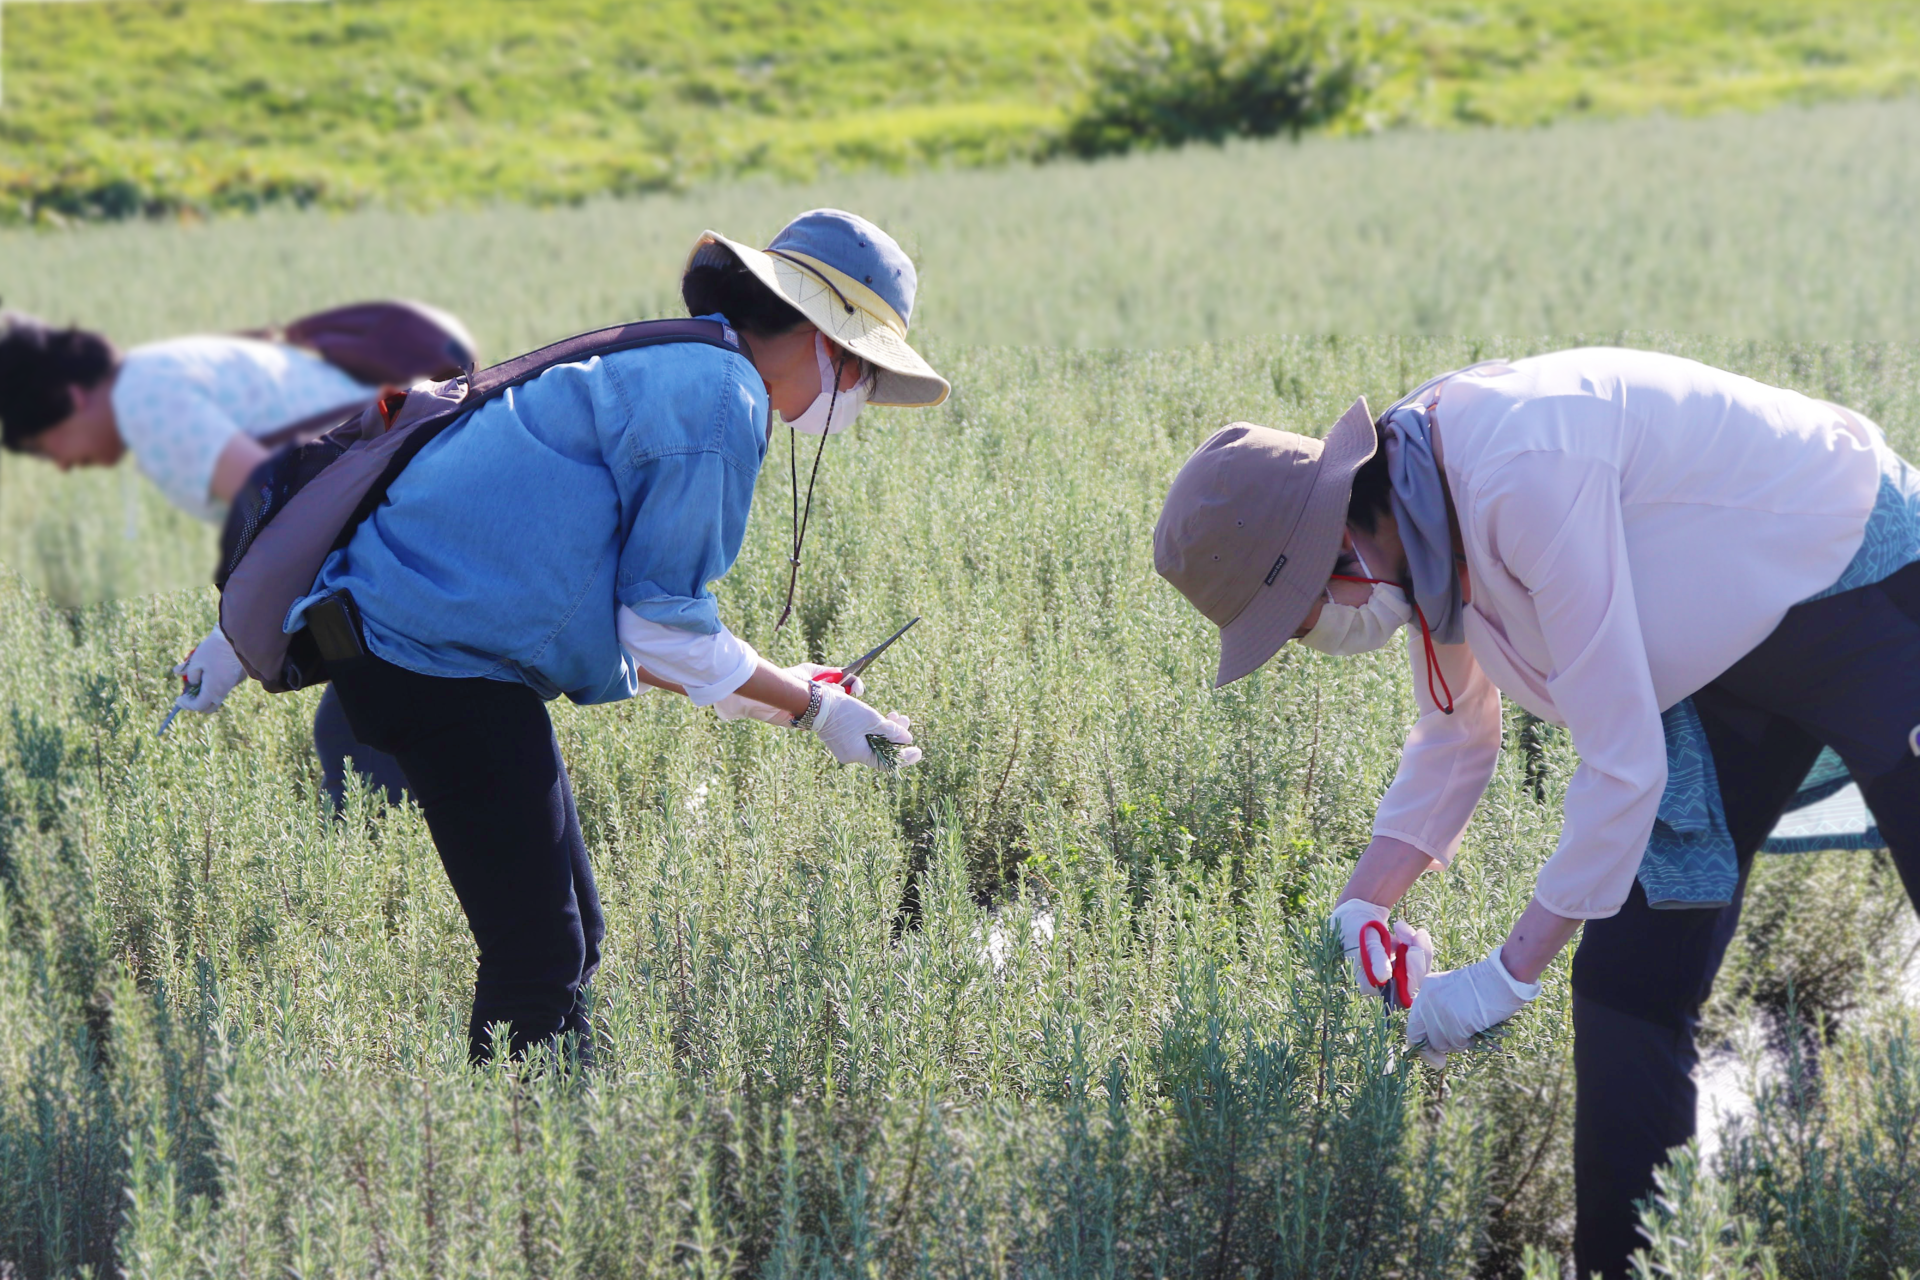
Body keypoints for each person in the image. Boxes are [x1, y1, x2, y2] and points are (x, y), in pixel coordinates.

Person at [1151, 347, 1919, 1278]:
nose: (1312, 640)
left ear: (1332, 557)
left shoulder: (1513, 477)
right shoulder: (1418, 522)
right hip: (1717, 669)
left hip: (1856, 581)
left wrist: (1503, 979)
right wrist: (1360, 910)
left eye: (1299, 621)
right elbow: (1455, 740)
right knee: (1627, 983)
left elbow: (1624, 762)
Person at [282, 209, 947, 1064]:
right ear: (830, 340)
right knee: (539, 961)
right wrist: (814, 710)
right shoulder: (721, 397)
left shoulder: (689, 359)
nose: (856, 393)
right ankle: (516, 1168)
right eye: (861, 370)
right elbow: (661, 629)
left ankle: (553, 1132)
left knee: (574, 934)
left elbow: (623, 624)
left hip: (425, 650)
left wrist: (784, 692)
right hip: (437, 665)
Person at [0, 308, 432, 809]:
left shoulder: (161, 409)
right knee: (365, 732)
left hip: (415, 531)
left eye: (45, 446)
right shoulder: (161, 378)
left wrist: (234, 646)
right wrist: (229, 640)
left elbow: (292, 522)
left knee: (361, 743)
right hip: (407, 514)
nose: (63, 464)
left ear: (71, 400)